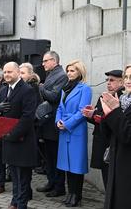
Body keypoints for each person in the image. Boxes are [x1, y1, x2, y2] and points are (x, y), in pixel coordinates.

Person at [0, 62, 38, 209]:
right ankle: (14, 201)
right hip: (8, 140)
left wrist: (12, 134)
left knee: (23, 177)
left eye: (10, 72)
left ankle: (21, 204)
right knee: (14, 175)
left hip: (22, 141)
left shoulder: (27, 90)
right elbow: (1, 113)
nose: (6, 75)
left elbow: (27, 118)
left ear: (18, 72)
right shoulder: (4, 90)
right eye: (5, 72)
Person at [56, 60, 92, 207]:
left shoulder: (85, 89)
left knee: (76, 166)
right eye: (68, 70)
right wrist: (57, 121)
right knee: (67, 165)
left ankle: (77, 195)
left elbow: (82, 111)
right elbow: (59, 108)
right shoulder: (65, 89)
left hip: (76, 131)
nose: (69, 73)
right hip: (63, 131)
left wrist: (67, 124)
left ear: (80, 72)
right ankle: (70, 193)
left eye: (72, 71)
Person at [82, 70, 124, 189]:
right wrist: (90, 115)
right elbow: (98, 118)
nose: (108, 83)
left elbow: (112, 120)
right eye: (107, 80)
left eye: (112, 80)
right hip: (102, 141)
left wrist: (96, 115)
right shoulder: (104, 96)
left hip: (113, 143)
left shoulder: (122, 98)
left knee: (114, 181)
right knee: (106, 177)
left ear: (121, 82)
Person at [36, 51, 68, 198]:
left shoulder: (61, 76)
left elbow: (54, 96)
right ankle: (51, 182)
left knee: (55, 156)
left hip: (54, 121)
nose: (43, 64)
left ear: (54, 61)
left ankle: (59, 186)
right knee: (49, 156)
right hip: (47, 121)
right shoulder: (52, 74)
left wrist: (41, 87)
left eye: (45, 61)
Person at [100, 64, 131, 209]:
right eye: (126, 77)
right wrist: (107, 115)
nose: (128, 81)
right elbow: (109, 135)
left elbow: (128, 135)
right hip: (117, 163)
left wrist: (114, 112)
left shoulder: (121, 105)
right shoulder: (123, 100)